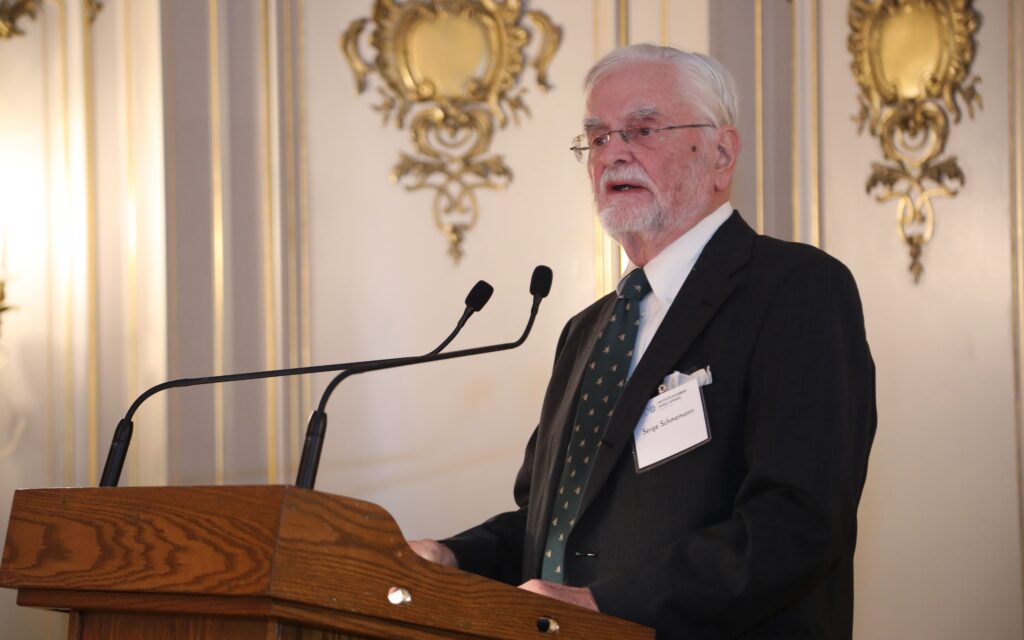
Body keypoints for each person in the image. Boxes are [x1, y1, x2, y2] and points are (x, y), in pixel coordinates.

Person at [410, 44, 876, 639]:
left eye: (642, 129)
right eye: (597, 137)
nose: (613, 154)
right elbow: (549, 530)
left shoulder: (795, 288)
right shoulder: (587, 331)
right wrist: (452, 557)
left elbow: (797, 520)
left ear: (721, 154)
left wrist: (607, 605)